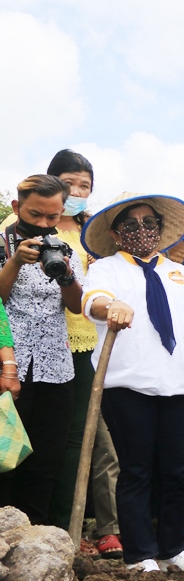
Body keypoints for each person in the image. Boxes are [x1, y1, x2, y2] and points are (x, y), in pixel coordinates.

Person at [80, 192, 184, 572]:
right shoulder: (106, 269)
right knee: (137, 469)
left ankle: (174, 547)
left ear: (160, 228)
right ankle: (140, 553)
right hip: (126, 385)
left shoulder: (180, 274)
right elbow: (92, 301)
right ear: (115, 232)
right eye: (130, 224)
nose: (141, 230)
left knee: (175, 471)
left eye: (149, 223)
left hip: (176, 384)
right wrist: (110, 307)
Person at [43, 150, 123, 559]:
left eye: (84, 186)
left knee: (80, 438)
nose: (76, 192)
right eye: (69, 182)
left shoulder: (93, 233)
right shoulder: (26, 223)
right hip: (40, 346)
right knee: (51, 437)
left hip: (85, 345)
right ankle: (49, 527)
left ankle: (66, 529)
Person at [0, 174, 84, 525]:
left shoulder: (64, 249)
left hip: (56, 365)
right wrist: (15, 261)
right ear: (18, 207)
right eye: (36, 214)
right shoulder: (3, 245)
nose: (44, 224)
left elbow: (76, 306)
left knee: (47, 455)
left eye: (52, 217)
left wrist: (66, 274)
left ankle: (36, 536)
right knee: (6, 454)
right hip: (10, 361)